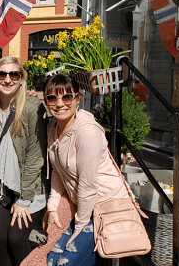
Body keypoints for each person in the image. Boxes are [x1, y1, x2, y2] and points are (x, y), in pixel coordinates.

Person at [43, 73, 129, 266]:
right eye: (52, 97)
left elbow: (88, 186)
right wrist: (53, 207)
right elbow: (57, 170)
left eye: (67, 97)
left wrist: (79, 229)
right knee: (51, 259)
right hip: (84, 207)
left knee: (65, 262)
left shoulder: (86, 132)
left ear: (78, 99)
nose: (60, 103)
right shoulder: (53, 127)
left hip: (104, 207)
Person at [0, 56, 48, 266]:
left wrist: (24, 200)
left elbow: (35, 157)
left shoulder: (32, 107)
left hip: (29, 186)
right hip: (2, 183)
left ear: (21, 78)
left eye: (14, 74)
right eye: (1, 74)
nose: (7, 80)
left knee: (16, 239)